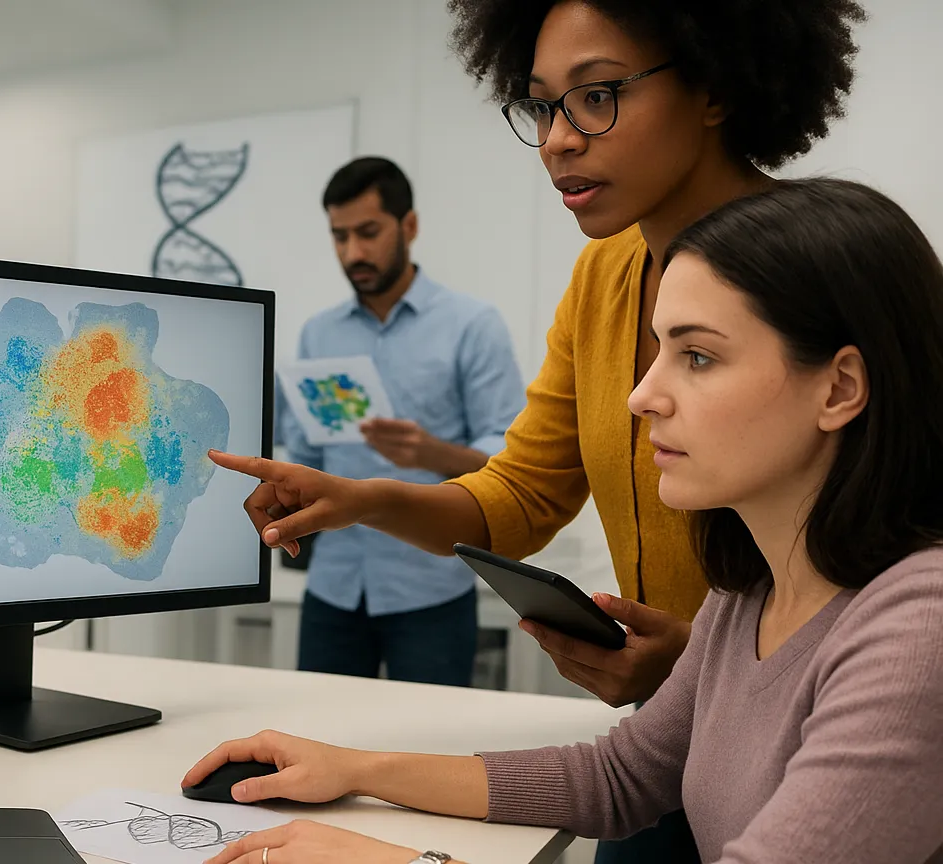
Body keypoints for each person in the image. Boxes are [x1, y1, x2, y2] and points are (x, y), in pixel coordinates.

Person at [218, 0, 864, 858]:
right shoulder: (603, 274)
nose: (559, 138)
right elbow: (524, 493)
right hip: (661, 739)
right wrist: (360, 500)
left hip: (805, 737)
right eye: (541, 106)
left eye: (597, 96)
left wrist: (708, 667)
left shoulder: (839, 271)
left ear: (712, 87)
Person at [189, 177, 943, 864]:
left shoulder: (918, 631)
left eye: (699, 358)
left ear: (840, 387)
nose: (642, 395)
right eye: (658, 352)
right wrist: (354, 769)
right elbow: (618, 777)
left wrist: (392, 863)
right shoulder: (749, 591)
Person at [279, 156, 524, 686]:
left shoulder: (472, 326)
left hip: (430, 588)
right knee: (314, 736)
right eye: (339, 236)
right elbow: (305, 454)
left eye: (368, 232)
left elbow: (512, 461)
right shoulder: (317, 334)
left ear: (408, 226)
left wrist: (430, 453)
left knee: (431, 752)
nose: (353, 253)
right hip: (333, 587)